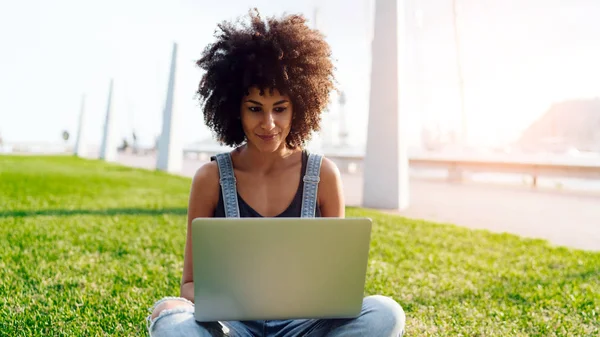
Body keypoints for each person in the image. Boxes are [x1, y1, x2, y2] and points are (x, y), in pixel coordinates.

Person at [146, 9, 405, 337]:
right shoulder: (209, 179)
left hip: (304, 326)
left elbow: (336, 287)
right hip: (233, 326)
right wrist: (238, 300)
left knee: (386, 313)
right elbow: (190, 285)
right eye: (255, 108)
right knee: (169, 318)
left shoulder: (324, 175)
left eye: (280, 109)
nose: (268, 124)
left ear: (299, 107)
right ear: (235, 109)